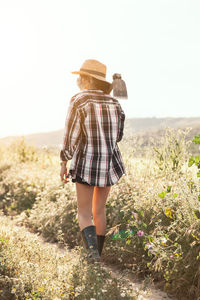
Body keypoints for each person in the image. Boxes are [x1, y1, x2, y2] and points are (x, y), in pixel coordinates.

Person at [60, 59, 126, 263]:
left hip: (87, 163)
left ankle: (92, 255)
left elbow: (71, 136)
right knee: (99, 210)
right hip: (109, 164)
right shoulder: (115, 102)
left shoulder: (79, 100)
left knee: (84, 213)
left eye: (80, 77)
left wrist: (64, 161)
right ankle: (97, 255)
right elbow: (118, 136)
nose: (78, 81)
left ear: (88, 79)